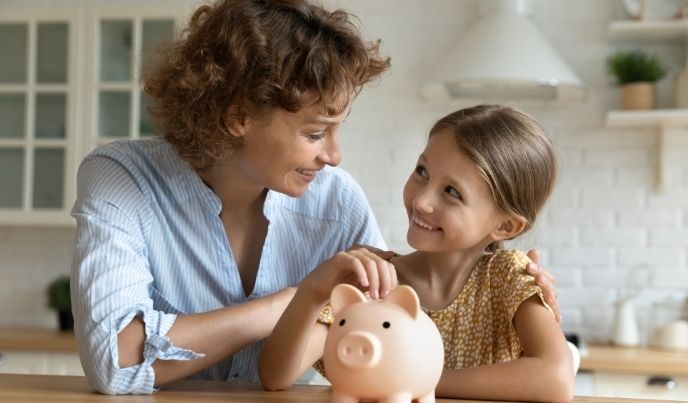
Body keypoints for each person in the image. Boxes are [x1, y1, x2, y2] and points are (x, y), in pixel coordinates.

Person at [70, 0, 560, 396]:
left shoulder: (337, 200)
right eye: (315, 132)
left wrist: (501, 286)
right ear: (239, 115)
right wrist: (285, 303)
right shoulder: (121, 179)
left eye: (337, 129)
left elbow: (382, 331)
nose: (335, 156)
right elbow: (116, 361)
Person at [259, 105, 575, 402]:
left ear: (506, 226)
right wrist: (313, 290)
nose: (422, 200)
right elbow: (276, 376)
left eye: (452, 192)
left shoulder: (507, 278)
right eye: (422, 171)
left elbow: (556, 378)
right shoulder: (374, 282)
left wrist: (415, 379)